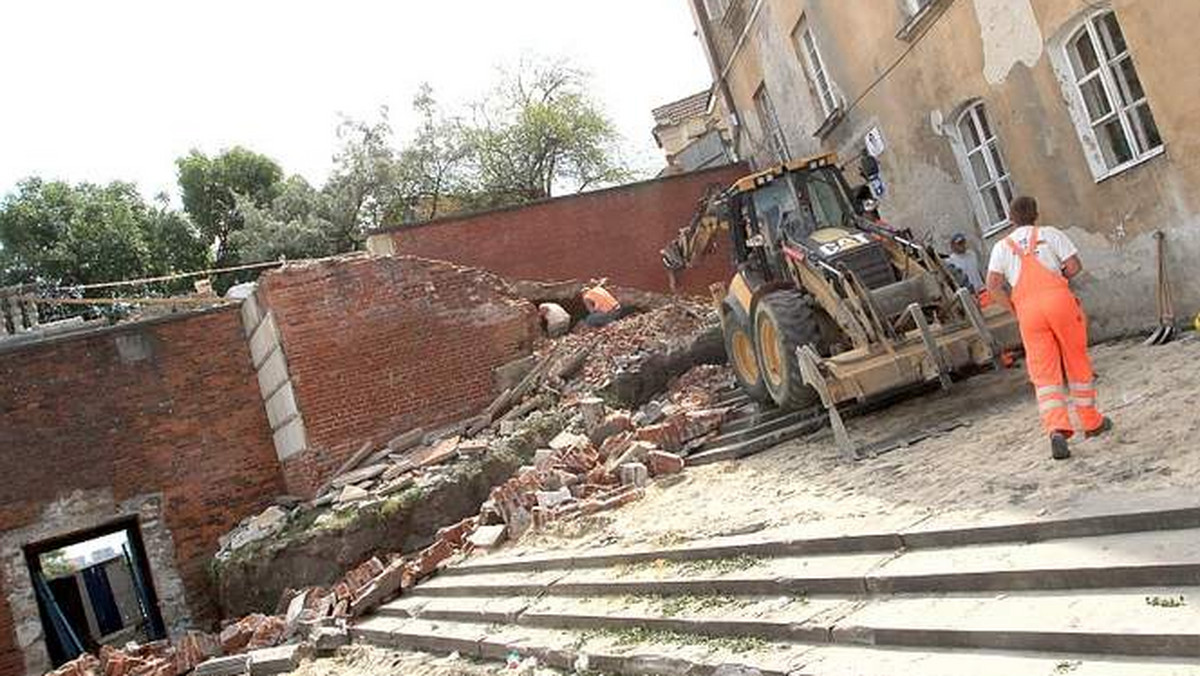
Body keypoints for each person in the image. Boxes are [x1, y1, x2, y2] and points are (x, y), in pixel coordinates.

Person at [986, 196, 1112, 460]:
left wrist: (1015, 308)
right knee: (1076, 360)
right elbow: (1075, 266)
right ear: (1036, 214)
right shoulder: (1050, 234)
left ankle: (1056, 428)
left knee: (1044, 374)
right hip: (1059, 302)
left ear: (1010, 218)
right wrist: (1058, 280)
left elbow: (992, 286)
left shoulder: (1001, 247)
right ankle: (1091, 422)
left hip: (1029, 312)